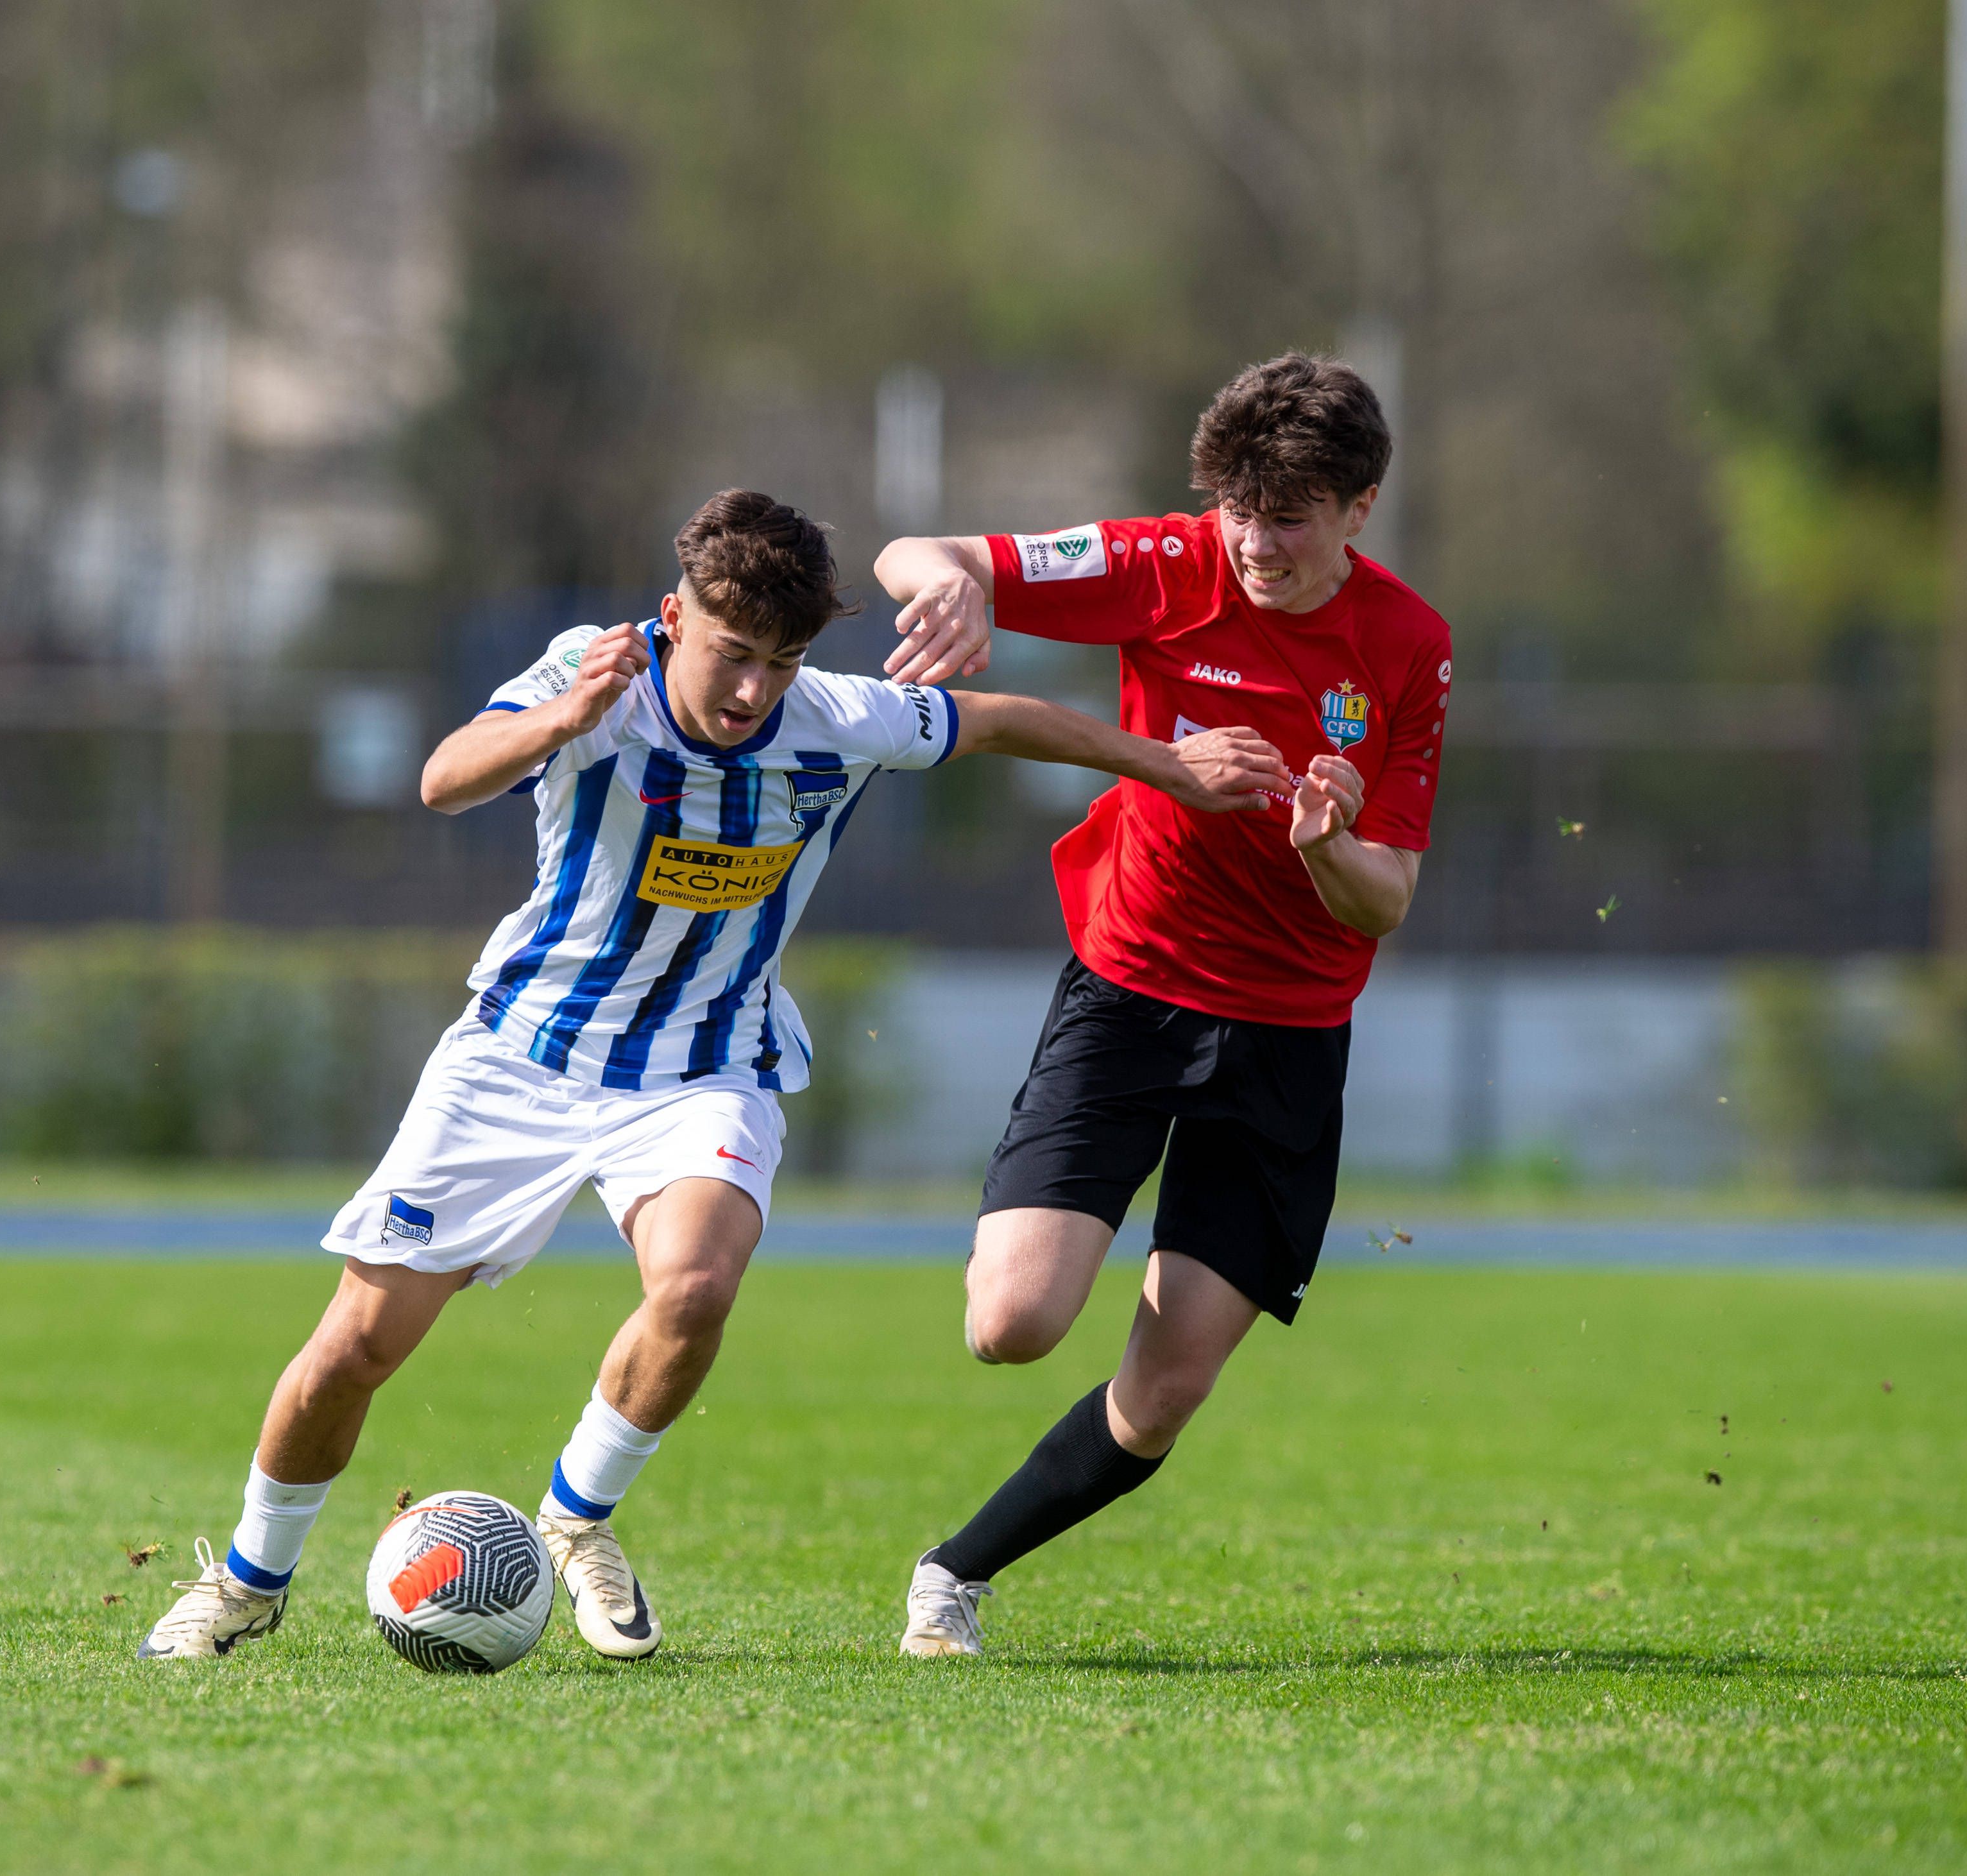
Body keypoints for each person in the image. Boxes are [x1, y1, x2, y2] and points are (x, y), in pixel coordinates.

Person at [138, 488, 1284, 1662]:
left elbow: (994, 721)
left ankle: (575, 1520)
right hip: (521, 1058)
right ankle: (249, 1582)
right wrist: (562, 719)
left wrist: (1166, 764)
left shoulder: (838, 719)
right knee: (357, 1347)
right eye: (734, 654)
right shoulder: (593, 674)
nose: (754, 692)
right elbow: (444, 779)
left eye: (782, 663)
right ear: (676, 616)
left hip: (707, 1064)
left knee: (694, 1287)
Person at [869, 353, 1453, 1656]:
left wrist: (1322, 846)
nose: (1255, 544)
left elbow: (1385, 901)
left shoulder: (1410, 647)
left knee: (1165, 1389)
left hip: (1290, 1034)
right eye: (1239, 510)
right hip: (1133, 987)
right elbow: (921, 552)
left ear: (1360, 508)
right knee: (1010, 1324)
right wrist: (950, 586)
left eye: (1289, 516)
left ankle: (954, 1574)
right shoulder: (1165, 563)